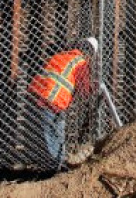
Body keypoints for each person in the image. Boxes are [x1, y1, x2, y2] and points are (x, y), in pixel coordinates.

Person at [26, 37, 98, 172]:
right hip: (53, 101)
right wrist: (94, 87)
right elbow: (84, 89)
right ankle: (57, 167)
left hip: (36, 96)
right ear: (89, 54)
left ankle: (55, 164)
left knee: (50, 133)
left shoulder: (61, 56)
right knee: (54, 133)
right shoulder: (80, 62)